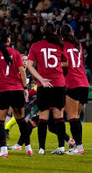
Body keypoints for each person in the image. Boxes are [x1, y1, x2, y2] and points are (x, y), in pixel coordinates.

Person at [0, 28, 32, 158]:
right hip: (17, 90)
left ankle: (4, 151)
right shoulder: (16, 53)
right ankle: (28, 148)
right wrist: (25, 88)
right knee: (21, 120)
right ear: (9, 39)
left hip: (3, 90)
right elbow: (22, 71)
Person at [27, 22, 68, 155]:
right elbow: (66, 63)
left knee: (43, 118)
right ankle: (61, 147)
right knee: (59, 117)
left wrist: (41, 79)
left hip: (43, 85)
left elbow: (29, 65)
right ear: (55, 32)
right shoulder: (59, 45)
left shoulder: (36, 46)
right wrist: (58, 67)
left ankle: (41, 149)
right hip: (58, 84)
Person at [60, 24, 90, 155]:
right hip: (84, 83)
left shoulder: (61, 46)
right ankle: (78, 145)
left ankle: (79, 147)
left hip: (73, 82)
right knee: (76, 117)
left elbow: (65, 63)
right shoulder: (78, 46)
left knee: (72, 117)